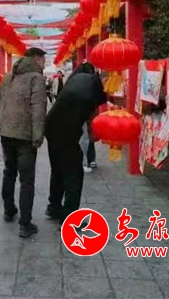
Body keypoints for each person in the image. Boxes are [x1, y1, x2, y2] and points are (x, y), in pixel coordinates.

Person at [45, 61, 106, 224]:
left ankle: (54, 207)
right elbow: (92, 114)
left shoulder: (73, 80)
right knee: (74, 175)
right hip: (66, 134)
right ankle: (70, 218)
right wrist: (94, 135)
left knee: (58, 170)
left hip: (51, 129)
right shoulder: (92, 84)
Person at [0, 47, 47, 238]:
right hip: (24, 135)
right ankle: (25, 224)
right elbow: (38, 108)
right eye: (43, 60)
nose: (44, 64)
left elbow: (0, 103)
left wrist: (0, 126)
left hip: (6, 132)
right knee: (27, 179)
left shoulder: (8, 77)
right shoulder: (36, 78)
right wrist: (38, 136)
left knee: (9, 171)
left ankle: (9, 210)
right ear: (36, 59)